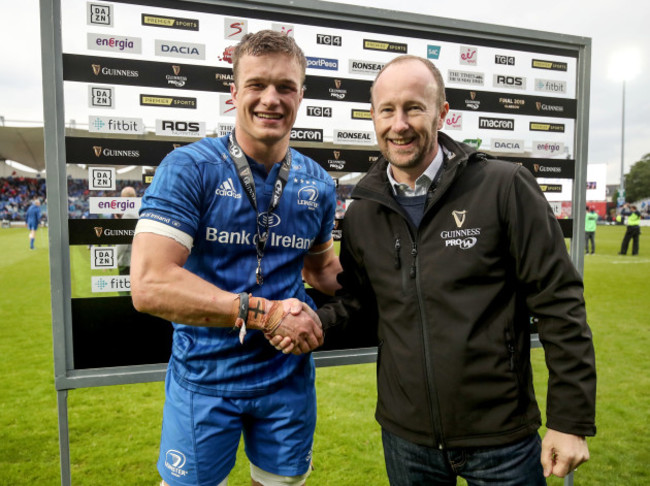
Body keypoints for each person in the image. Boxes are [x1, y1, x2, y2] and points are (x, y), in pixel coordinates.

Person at [277, 55, 597, 484]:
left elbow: (560, 303)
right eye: (387, 110)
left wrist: (570, 420)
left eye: (414, 107)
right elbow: (362, 307)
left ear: (442, 112)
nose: (399, 124)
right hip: (407, 441)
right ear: (373, 117)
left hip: (501, 437)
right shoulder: (362, 213)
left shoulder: (504, 187)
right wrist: (310, 321)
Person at [130, 30, 340, 486]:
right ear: (234, 93)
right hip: (204, 379)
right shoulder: (188, 168)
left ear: (301, 95)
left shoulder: (318, 183)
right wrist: (264, 314)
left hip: (287, 377)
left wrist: (406, 279)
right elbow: (150, 284)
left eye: (286, 87)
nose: (272, 99)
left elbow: (322, 270)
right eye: (257, 85)